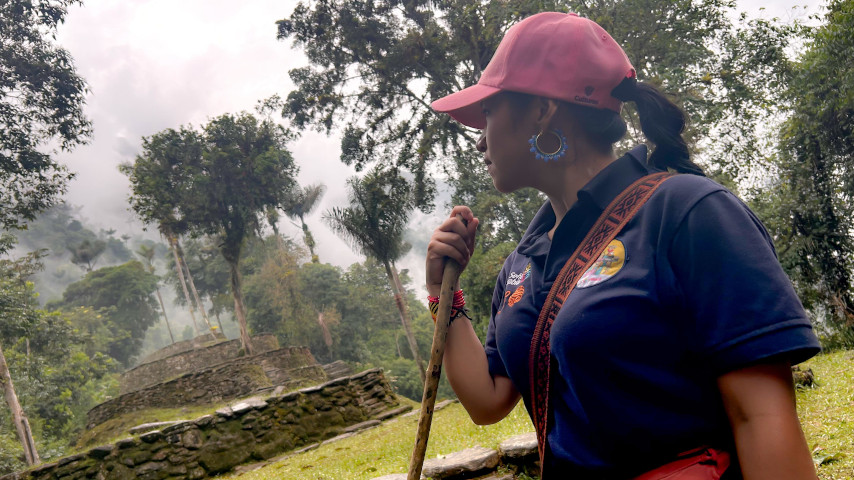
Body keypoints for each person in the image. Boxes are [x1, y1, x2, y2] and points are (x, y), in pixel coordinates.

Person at [425, 11, 820, 480]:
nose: (479, 139)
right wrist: (440, 293)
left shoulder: (687, 212)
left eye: (488, 111)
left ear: (541, 109)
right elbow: (488, 401)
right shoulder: (523, 263)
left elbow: (761, 418)